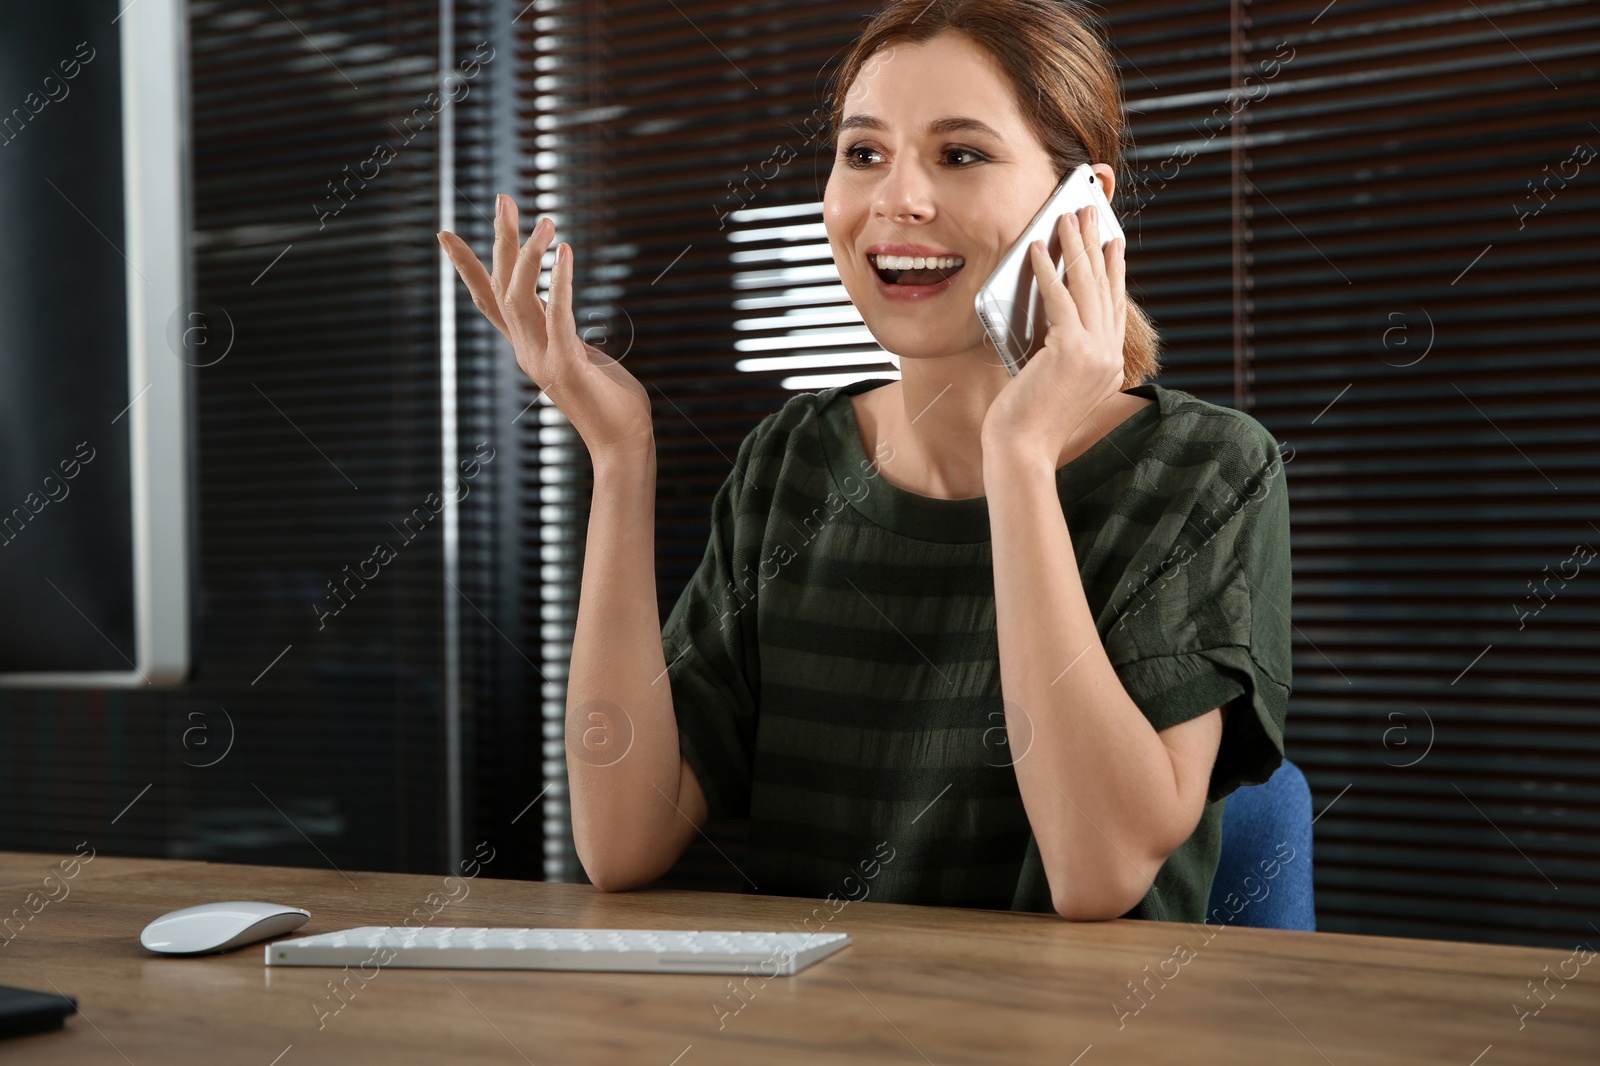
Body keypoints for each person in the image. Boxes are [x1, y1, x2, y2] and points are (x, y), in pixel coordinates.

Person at [438, 0, 1291, 922]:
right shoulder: (792, 462)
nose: (897, 201)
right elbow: (620, 840)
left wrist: (1018, 455)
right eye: (864, 153)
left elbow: (1096, 875)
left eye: (960, 155)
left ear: (1083, 204)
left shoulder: (1203, 467)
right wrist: (618, 451)